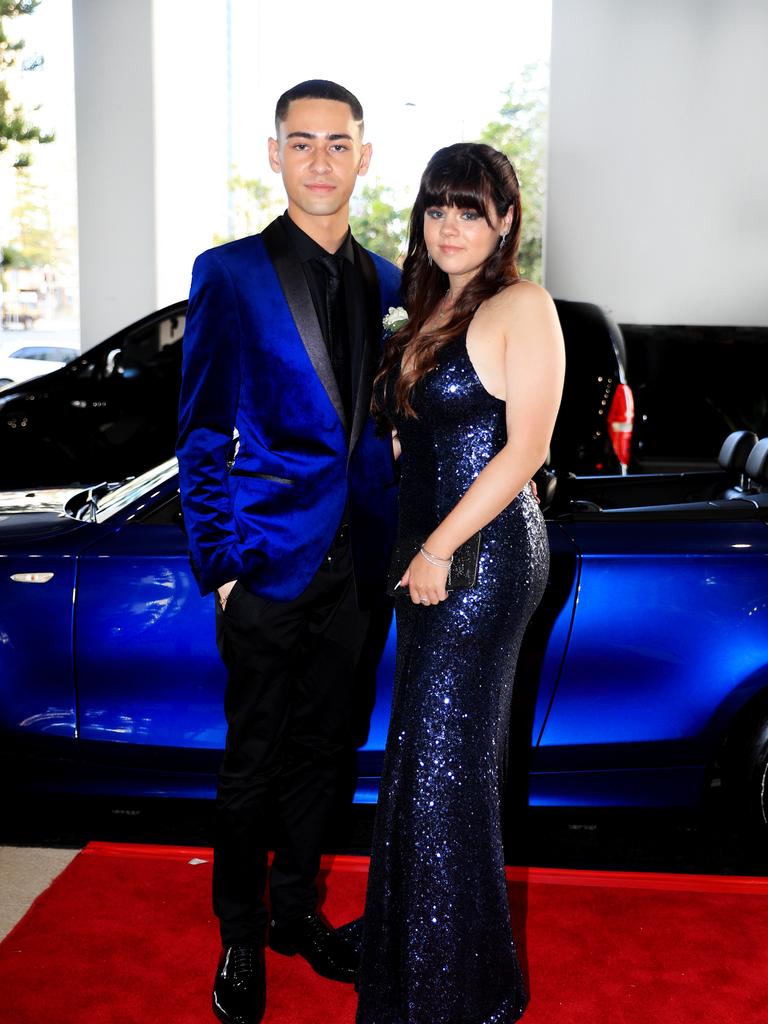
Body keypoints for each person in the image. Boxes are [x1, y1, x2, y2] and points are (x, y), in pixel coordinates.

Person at [176, 80, 401, 1024]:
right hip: (266, 564)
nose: (319, 160)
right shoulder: (228, 273)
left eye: (336, 144)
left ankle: (296, 910)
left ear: (362, 155)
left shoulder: (390, 282)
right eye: (300, 143)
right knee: (252, 761)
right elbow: (198, 434)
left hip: (361, 572)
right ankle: (238, 934)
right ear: (275, 155)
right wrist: (223, 567)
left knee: (327, 751)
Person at [350, 142, 565, 1023]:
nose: (450, 226)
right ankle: (426, 970)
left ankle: (450, 994)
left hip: (480, 562)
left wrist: (437, 550)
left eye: (469, 209)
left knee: (444, 769)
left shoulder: (524, 304)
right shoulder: (432, 308)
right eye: (437, 208)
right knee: (424, 761)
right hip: (431, 558)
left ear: (506, 220)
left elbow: (527, 449)